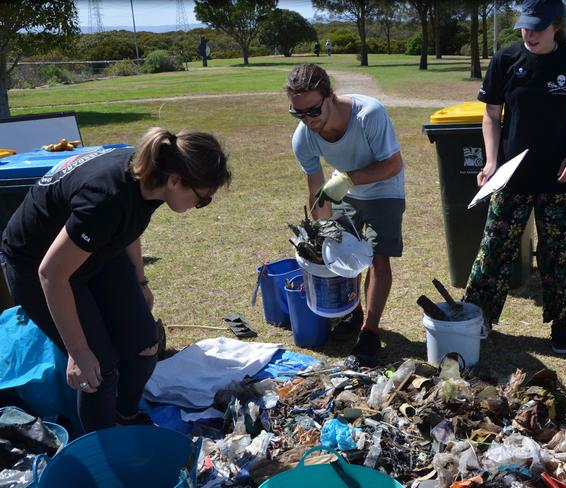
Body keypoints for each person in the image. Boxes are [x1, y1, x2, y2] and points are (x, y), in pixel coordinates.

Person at [0, 128, 231, 432]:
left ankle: (125, 415)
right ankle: (105, 446)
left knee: (144, 345)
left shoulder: (151, 178)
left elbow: (129, 225)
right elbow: (52, 273)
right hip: (37, 265)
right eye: (202, 200)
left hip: (87, 254)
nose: (199, 206)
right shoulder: (106, 198)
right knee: (98, 369)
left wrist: (139, 282)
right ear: (176, 180)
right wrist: (78, 352)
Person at [463, 0, 566, 354]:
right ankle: (478, 317)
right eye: (525, 26)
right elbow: (491, 115)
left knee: (559, 253)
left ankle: (560, 323)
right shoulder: (506, 59)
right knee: (494, 248)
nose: (529, 34)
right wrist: (491, 161)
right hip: (511, 176)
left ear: (556, 25)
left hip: (560, 177)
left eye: (538, 27)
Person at [285, 63, 405, 362]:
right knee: (341, 255)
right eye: (298, 113)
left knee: (378, 256)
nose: (307, 120)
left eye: (312, 111)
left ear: (330, 96)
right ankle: (353, 312)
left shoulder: (369, 115)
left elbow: (393, 165)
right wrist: (326, 231)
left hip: (383, 189)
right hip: (345, 193)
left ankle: (370, 333)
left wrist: (348, 179)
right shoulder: (303, 137)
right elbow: (316, 189)